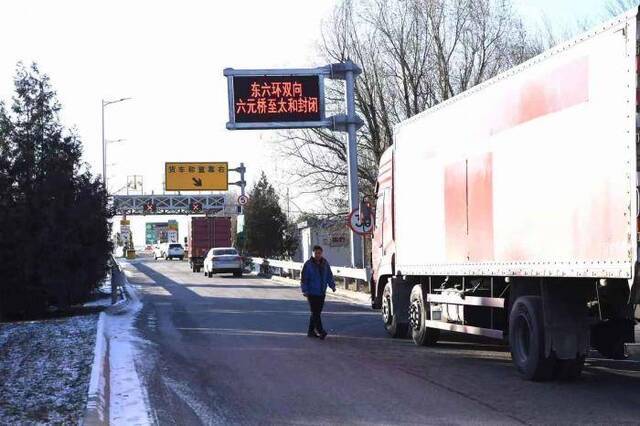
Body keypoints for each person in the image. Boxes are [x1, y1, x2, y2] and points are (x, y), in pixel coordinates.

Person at [301, 245, 336, 339]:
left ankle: (310, 332)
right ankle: (321, 331)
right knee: (315, 312)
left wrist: (332, 285)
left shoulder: (325, 263)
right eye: (316, 253)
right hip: (311, 292)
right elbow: (304, 279)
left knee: (317, 312)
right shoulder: (308, 265)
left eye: (319, 253)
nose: (317, 255)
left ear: (321, 253)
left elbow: (329, 275)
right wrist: (304, 290)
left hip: (321, 292)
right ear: (312, 253)